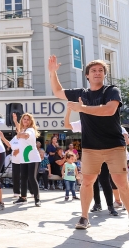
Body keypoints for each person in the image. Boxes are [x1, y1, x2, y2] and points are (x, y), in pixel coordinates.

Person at [49, 55, 129, 229]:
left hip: (114, 145)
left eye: (101, 70)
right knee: (87, 182)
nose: (97, 73)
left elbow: (109, 110)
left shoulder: (111, 90)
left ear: (104, 74)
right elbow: (57, 92)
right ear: (87, 75)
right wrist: (52, 73)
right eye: (93, 70)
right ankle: (84, 218)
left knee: (121, 183)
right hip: (91, 147)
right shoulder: (81, 93)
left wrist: (82, 108)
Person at [64, 108, 118, 216]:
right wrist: (69, 111)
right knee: (92, 182)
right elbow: (67, 125)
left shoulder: (102, 119)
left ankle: (110, 206)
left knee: (105, 180)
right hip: (90, 155)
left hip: (103, 154)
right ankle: (97, 204)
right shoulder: (83, 122)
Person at [13, 113, 41, 207]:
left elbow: (25, 135)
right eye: (24, 119)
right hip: (24, 159)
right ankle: (23, 198)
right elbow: (20, 130)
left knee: (32, 178)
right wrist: (15, 121)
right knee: (23, 178)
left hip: (33, 158)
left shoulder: (31, 130)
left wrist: (19, 134)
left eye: (28, 119)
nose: (26, 121)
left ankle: (37, 199)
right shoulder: (22, 129)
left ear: (31, 121)